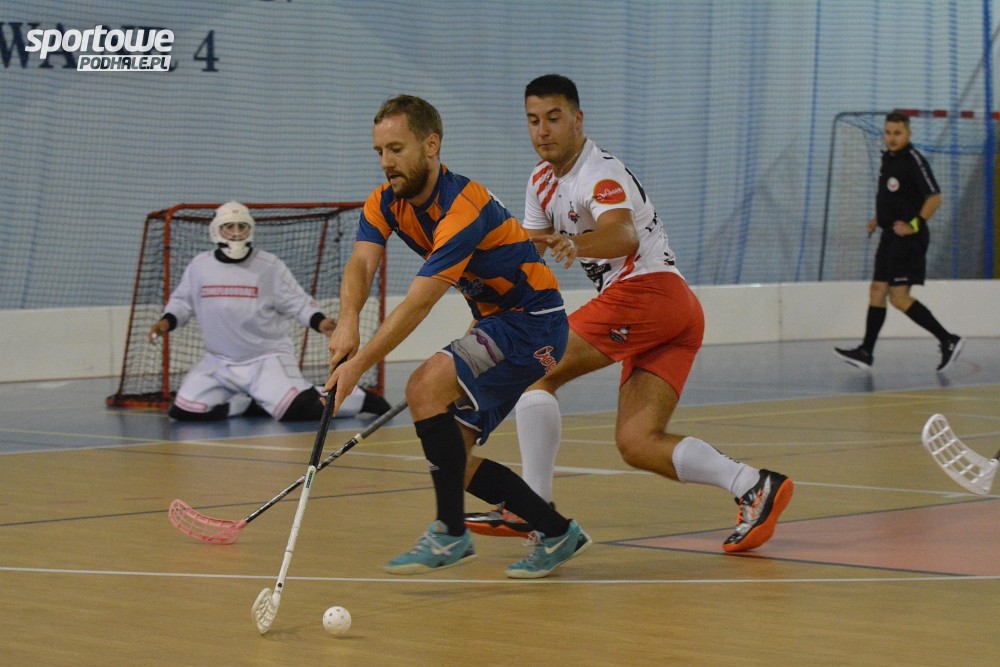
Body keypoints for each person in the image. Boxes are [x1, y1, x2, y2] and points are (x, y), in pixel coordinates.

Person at [464, 74, 794, 554]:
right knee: (638, 442)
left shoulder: (599, 174)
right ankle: (753, 484)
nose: (543, 131)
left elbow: (623, 235)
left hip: (648, 293)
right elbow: (526, 254)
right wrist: (488, 297)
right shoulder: (541, 180)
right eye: (533, 121)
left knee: (535, 371)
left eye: (554, 118)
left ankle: (531, 507)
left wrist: (575, 243)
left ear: (578, 120)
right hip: (672, 310)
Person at [323, 94, 589, 578]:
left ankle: (449, 533)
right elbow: (362, 262)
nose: (386, 163)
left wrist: (357, 365)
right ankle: (556, 531)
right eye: (379, 151)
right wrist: (347, 320)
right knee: (453, 459)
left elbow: (419, 303)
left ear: (431, 145)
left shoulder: (463, 206)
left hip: (532, 321)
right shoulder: (385, 202)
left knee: (423, 386)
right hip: (496, 321)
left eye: (396, 149)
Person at [148, 201, 390, 422]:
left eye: (242, 227)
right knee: (185, 411)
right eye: (229, 227)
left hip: (265, 359)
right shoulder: (199, 266)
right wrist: (165, 322)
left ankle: (359, 398)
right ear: (216, 231)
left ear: (250, 230)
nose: (236, 233)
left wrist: (320, 322)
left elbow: (297, 301)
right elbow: (182, 301)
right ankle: (245, 404)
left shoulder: (268, 266)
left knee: (301, 409)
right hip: (218, 362)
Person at [834, 111, 962, 373]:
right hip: (889, 235)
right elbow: (895, 197)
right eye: (888, 132)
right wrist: (878, 219)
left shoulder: (913, 160)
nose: (892, 138)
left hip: (908, 239)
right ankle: (866, 352)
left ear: (909, 134)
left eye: (898, 133)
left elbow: (935, 198)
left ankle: (948, 340)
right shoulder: (888, 159)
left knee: (899, 298)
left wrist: (914, 225)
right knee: (877, 290)